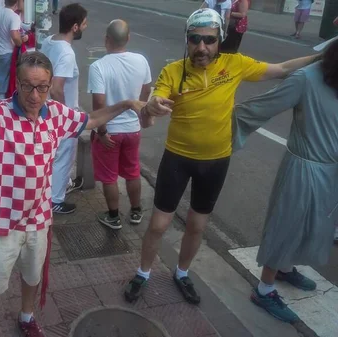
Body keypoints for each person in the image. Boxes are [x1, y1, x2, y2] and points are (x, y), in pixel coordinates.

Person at [0, 51, 150, 337]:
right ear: (17, 82)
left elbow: (91, 119)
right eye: (27, 86)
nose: (34, 95)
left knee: (32, 276)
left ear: (50, 85)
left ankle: (26, 317)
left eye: (42, 87)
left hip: (38, 218)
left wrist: (126, 104)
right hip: (1, 222)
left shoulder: (57, 114)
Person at [123, 8, 320, 306]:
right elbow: (155, 99)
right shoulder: (174, 71)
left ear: (219, 40)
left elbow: (280, 70)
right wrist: (151, 107)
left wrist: (322, 57)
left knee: (197, 225)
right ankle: (143, 272)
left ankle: (182, 272)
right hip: (177, 158)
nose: (202, 47)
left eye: (209, 40)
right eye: (195, 39)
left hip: (216, 161)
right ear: (187, 40)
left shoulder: (235, 64)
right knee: (159, 225)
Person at [232, 43, 334, 323]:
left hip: (330, 172)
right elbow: (263, 106)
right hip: (303, 168)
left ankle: (285, 268)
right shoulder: (307, 78)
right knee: (286, 226)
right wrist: (217, 122)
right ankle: (264, 290)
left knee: (313, 226)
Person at [87, 19, 151, 230]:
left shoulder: (98, 67)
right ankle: (135, 211)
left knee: (109, 176)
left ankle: (113, 216)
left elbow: (98, 102)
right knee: (133, 172)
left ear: (106, 39)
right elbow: (146, 89)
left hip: (110, 131)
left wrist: (101, 131)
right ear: (128, 38)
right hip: (132, 130)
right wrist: (140, 113)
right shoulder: (141, 60)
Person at [40, 3, 87, 214]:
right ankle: (55, 200)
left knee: (52, 155)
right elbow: (57, 87)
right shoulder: (67, 54)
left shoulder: (49, 41)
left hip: (45, 108)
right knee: (63, 156)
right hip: (61, 113)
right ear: (75, 27)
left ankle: (51, 190)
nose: (86, 27)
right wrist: (68, 115)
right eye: (84, 23)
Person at [0, 0, 25, 104]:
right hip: (7, 51)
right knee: (4, 78)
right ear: (16, 3)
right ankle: (0, 102)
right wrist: (20, 43)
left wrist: (0, 28)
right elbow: (14, 35)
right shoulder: (14, 17)